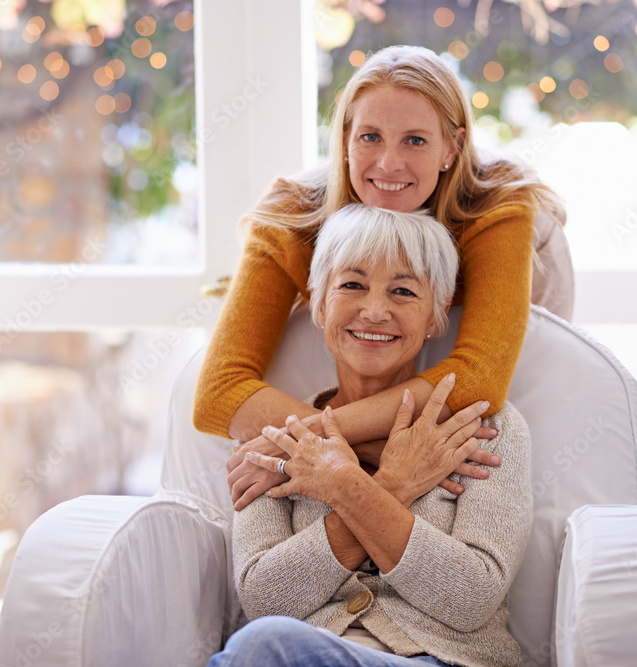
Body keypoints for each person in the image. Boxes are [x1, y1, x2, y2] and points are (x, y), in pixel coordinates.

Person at [192, 45, 564, 510]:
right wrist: (356, 453)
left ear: (452, 147)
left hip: (541, 280)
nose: (388, 163)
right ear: (344, 139)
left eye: (415, 140)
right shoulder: (290, 212)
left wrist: (310, 444)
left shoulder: (497, 203)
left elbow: (479, 378)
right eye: (370, 137)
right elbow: (218, 392)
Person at [207, 204, 533, 667]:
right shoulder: (275, 436)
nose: (375, 311)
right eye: (352, 285)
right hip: (298, 657)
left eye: (403, 291)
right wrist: (393, 485)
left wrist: (342, 486)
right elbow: (266, 600)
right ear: (321, 304)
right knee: (262, 644)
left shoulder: (482, 428)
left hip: (444, 660)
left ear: (437, 316)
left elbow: (471, 598)